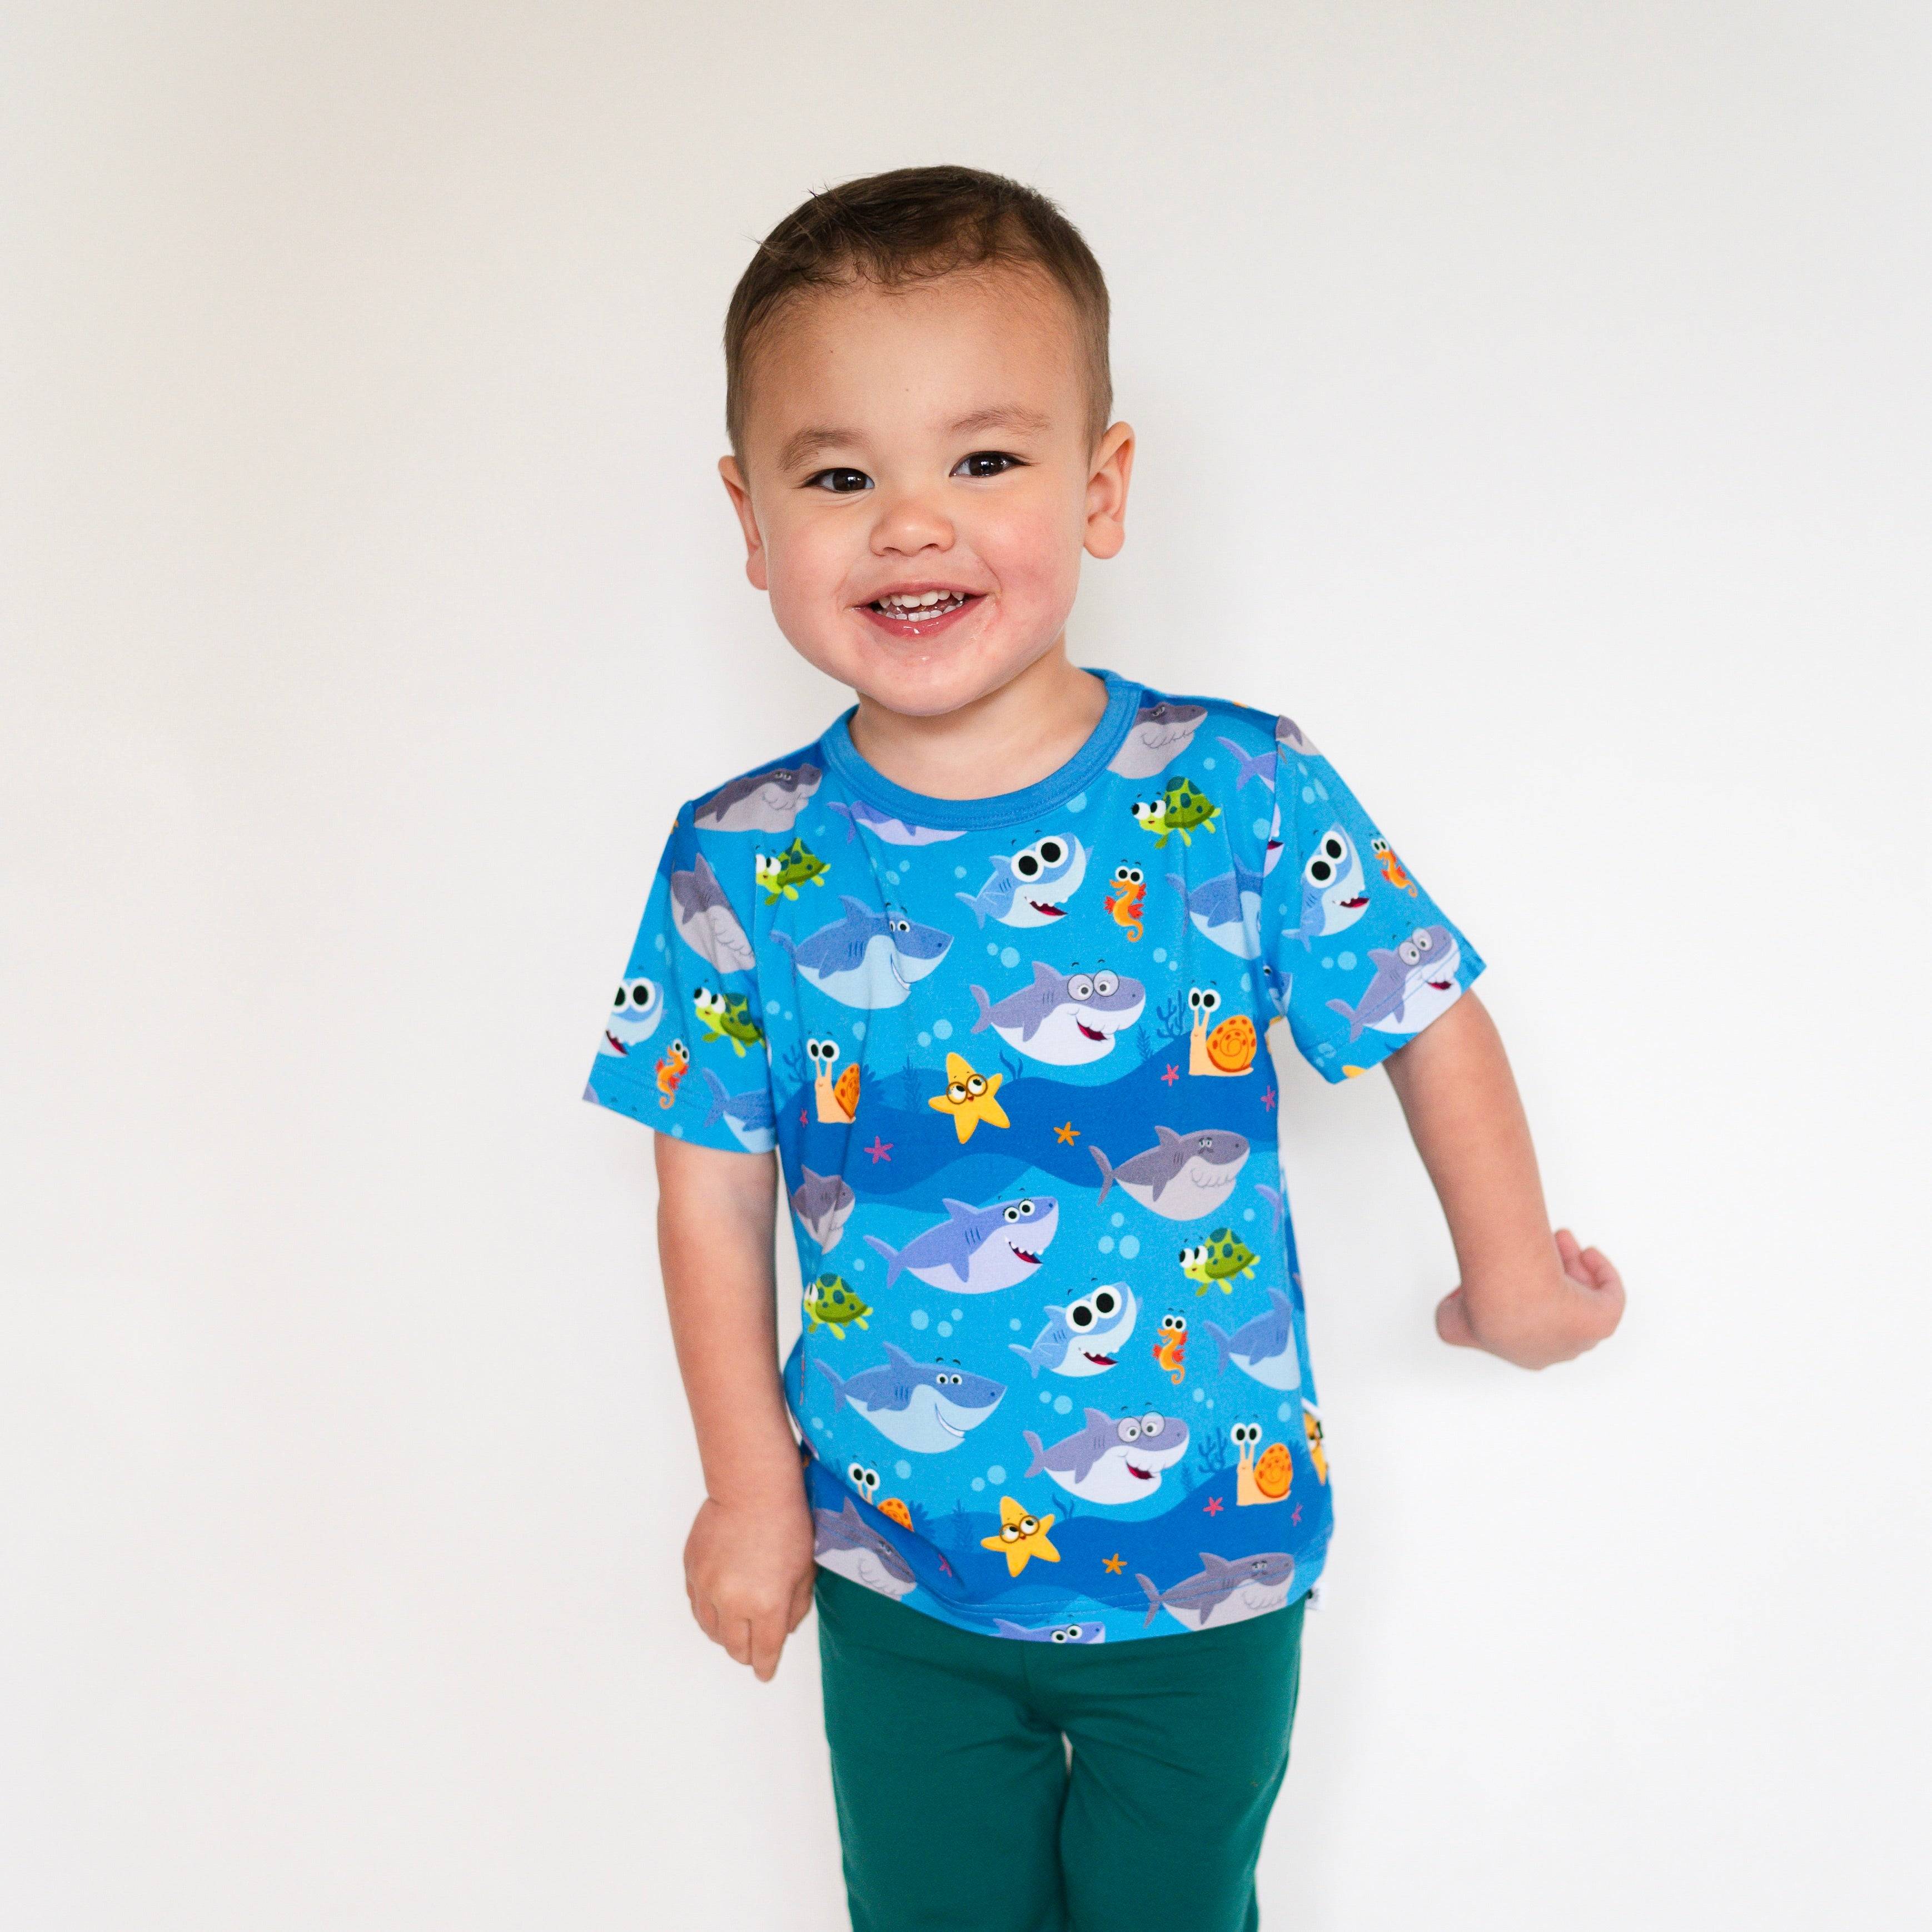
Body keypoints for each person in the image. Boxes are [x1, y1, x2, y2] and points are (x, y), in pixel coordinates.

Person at [584, 165, 1624, 1932]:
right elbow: (706, 1197)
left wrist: (1512, 1277)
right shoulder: (735, 859)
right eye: (839, 475)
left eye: (980, 460)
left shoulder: (1236, 788)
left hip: (1207, 1563)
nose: (910, 521)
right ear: (749, 520)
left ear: (1103, 484)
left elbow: (1426, 1012)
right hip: (899, 1571)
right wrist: (747, 1489)